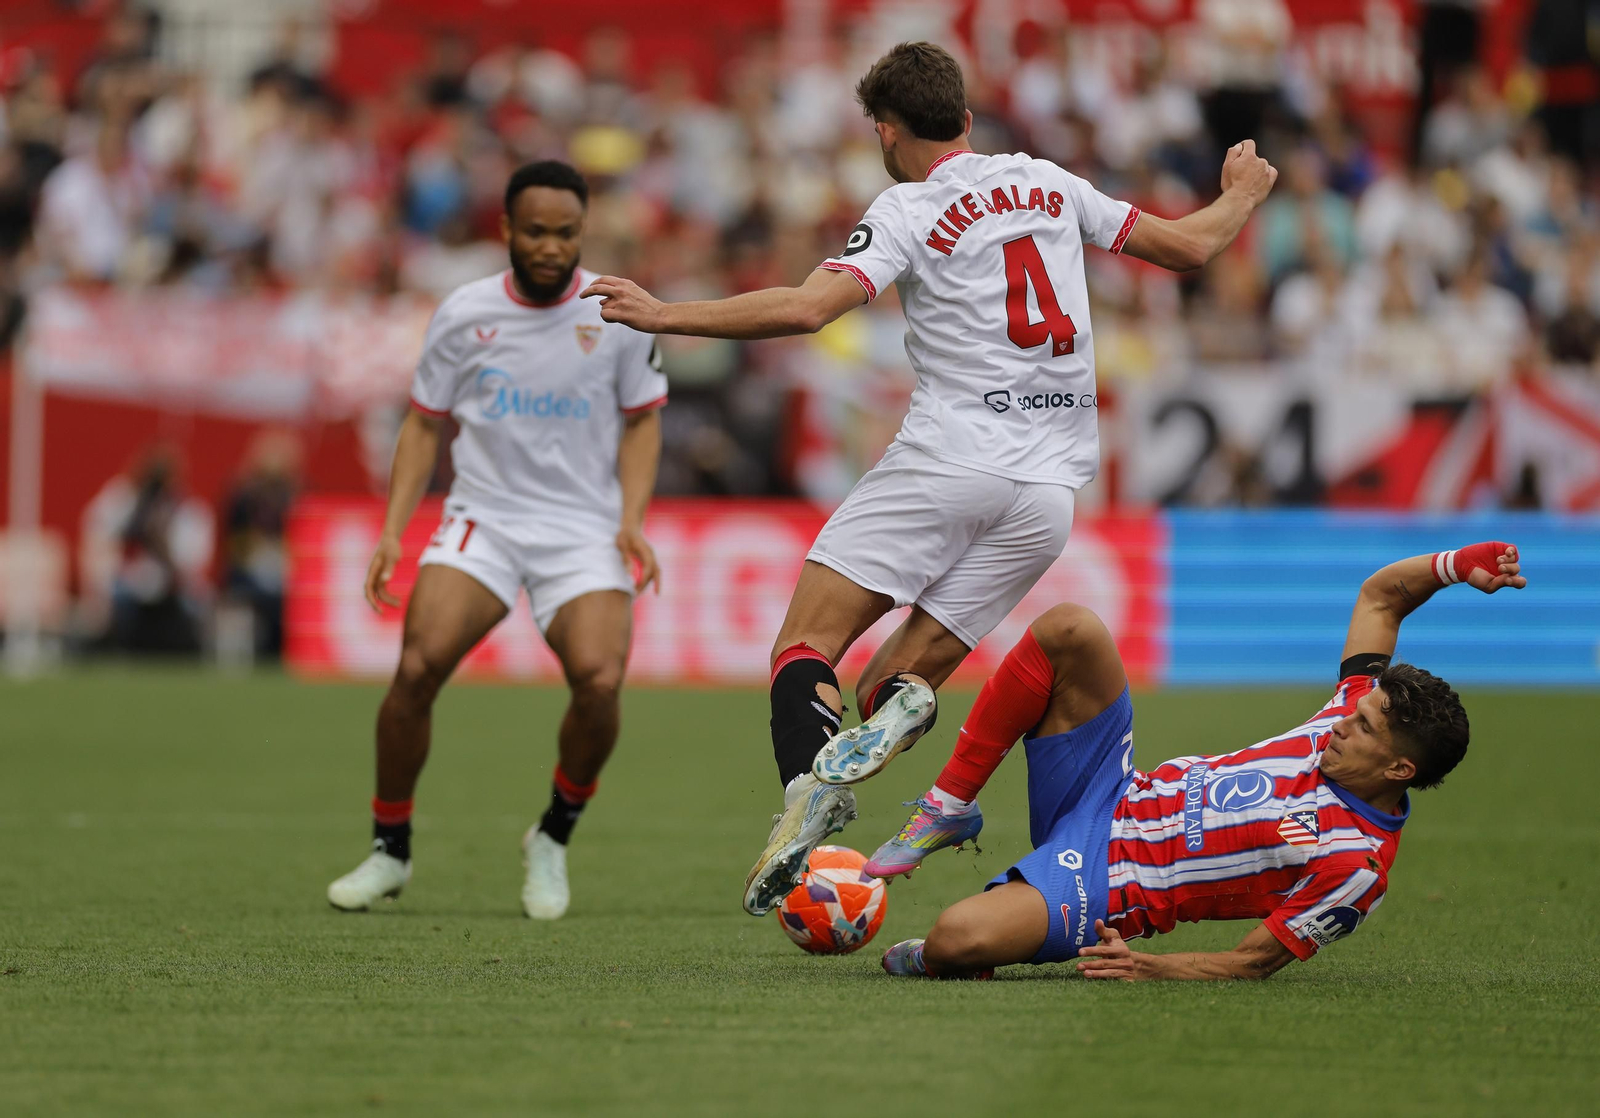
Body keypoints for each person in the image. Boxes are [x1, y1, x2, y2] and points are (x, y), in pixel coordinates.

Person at [581, 41, 1280, 915]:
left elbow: (810, 308)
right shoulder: (1051, 183)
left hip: (950, 460)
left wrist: (663, 313)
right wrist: (1241, 195)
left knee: (806, 646)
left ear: (886, 130)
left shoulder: (907, 208)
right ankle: (905, 705)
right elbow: (1191, 246)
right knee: (886, 688)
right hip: (1049, 493)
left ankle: (805, 797)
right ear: (967, 119)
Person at [867, 542, 1525, 980]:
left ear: (1400, 770)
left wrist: (1150, 967)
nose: (1344, 721)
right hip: (1109, 788)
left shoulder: (1356, 865)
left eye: (1364, 727)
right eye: (1356, 711)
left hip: (1109, 883)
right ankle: (948, 806)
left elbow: (1255, 961)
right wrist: (1456, 564)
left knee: (956, 939)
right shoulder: (1350, 710)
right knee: (1071, 628)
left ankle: (965, 951)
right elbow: (1382, 596)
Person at [326, 160, 667, 919]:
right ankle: (389, 849)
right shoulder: (463, 312)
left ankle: (552, 835)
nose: (552, 247)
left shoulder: (615, 310)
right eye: (537, 232)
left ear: (583, 232)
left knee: (599, 682)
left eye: (567, 233)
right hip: (485, 517)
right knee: (417, 668)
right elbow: (424, 423)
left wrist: (631, 520)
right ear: (508, 229)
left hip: (582, 528)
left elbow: (644, 419)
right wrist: (392, 532)